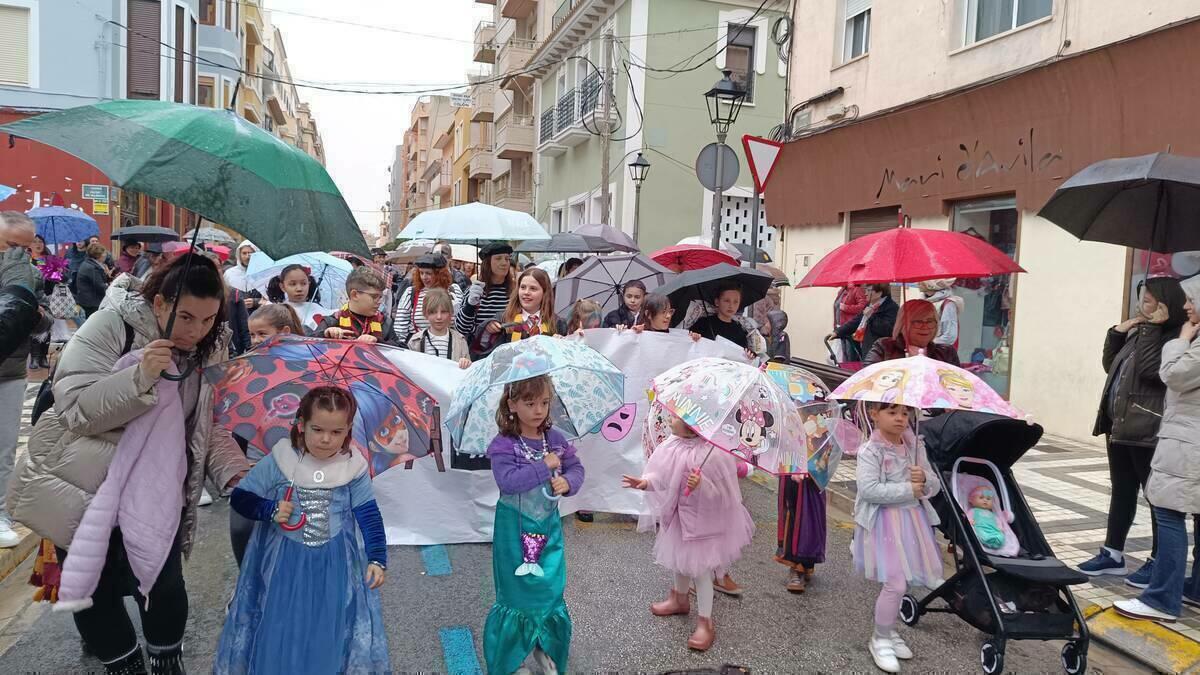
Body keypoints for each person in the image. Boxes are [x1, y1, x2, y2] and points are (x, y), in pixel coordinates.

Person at [9, 253, 249, 674]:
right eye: (186, 317)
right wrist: (138, 379)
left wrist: (238, 476)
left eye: (209, 319)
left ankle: (166, 664)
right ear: (159, 303)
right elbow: (75, 409)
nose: (197, 330)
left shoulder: (212, 346)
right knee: (95, 588)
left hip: (159, 488)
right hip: (85, 483)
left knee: (163, 583)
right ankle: (125, 668)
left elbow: (208, 425)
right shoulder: (111, 324)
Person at [214, 386, 389, 674]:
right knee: (284, 622)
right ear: (301, 424)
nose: (325, 439)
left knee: (328, 622)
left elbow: (368, 514)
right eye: (317, 429)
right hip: (285, 562)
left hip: (334, 563)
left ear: (348, 431)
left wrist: (377, 558)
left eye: (336, 432)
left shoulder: (352, 466)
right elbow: (241, 497)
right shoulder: (282, 459)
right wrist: (268, 510)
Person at [1082, 277, 1187, 581]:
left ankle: (1157, 560)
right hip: (1121, 425)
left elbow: (1150, 371)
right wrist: (1118, 331)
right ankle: (1112, 554)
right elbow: (1110, 365)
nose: (1144, 304)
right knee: (1122, 491)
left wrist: (1152, 329)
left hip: (1147, 428)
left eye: (1151, 299)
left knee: (1156, 498)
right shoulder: (1140, 332)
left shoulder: (1173, 339)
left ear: (1168, 304)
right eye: (1142, 297)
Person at [622, 410, 754, 652]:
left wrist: (702, 484)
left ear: (693, 425)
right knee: (678, 562)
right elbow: (662, 476)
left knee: (700, 572)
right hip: (679, 519)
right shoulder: (672, 445)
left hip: (703, 526)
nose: (670, 420)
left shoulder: (713, 454)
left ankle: (706, 621)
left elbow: (724, 496)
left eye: (676, 418)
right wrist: (646, 483)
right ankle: (679, 598)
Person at [484, 375, 584, 674]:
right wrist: (545, 466)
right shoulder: (504, 445)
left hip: (549, 529)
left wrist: (568, 481)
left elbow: (577, 468)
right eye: (529, 403)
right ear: (512, 404)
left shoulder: (555, 440)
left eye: (544, 402)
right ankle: (511, 660)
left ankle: (545, 647)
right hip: (513, 533)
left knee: (549, 590)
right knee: (517, 594)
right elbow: (508, 482)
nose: (539, 410)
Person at [1114, 291, 1200, 622]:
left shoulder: (1191, 340)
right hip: (1188, 441)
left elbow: (1173, 376)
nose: (1186, 306)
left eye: (1193, 300)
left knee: (1168, 512)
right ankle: (1194, 589)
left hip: (1187, 443)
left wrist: (1180, 339)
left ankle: (1162, 599)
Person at [853, 402, 943, 673]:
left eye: (905, 413)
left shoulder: (915, 446)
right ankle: (879, 638)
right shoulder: (871, 450)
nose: (900, 419)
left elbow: (935, 485)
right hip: (884, 524)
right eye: (892, 412)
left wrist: (924, 478)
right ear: (874, 414)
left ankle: (889, 631)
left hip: (912, 522)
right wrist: (908, 488)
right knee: (896, 584)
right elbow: (868, 490)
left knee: (905, 580)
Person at [227, 303, 306, 571]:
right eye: (253, 335)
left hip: (295, 465)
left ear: (284, 332)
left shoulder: (306, 368)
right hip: (255, 463)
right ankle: (248, 582)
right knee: (241, 528)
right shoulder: (246, 367)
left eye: (263, 333)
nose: (256, 340)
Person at [456, 242, 516, 357]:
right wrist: (470, 305)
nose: (504, 263)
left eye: (507, 259)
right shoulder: (474, 291)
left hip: (508, 353)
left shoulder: (515, 292)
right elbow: (461, 329)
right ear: (488, 263)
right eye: (498, 258)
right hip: (479, 354)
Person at [316, 266, 400, 346]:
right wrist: (325, 334)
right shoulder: (332, 321)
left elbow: (402, 349)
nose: (380, 302)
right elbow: (310, 344)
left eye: (380, 297)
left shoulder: (385, 323)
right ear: (355, 295)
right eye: (374, 297)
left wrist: (378, 341)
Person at [863, 299, 960, 367]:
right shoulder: (884, 347)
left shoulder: (946, 353)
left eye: (930, 321)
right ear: (903, 324)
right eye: (918, 321)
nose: (925, 326)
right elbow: (868, 376)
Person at [394, 253, 462, 344]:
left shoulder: (454, 291)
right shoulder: (411, 293)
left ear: (440, 274)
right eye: (421, 273)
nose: (424, 277)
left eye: (428, 273)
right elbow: (400, 326)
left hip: (448, 346)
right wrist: (403, 346)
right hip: (418, 347)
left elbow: (461, 323)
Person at [688, 283, 762, 358]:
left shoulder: (739, 330)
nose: (731, 306)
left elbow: (743, 353)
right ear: (717, 302)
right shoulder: (703, 324)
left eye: (735, 302)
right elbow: (689, 343)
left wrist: (750, 355)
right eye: (727, 301)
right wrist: (694, 338)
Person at [408, 288, 471, 368]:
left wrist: (466, 363)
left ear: (450, 313)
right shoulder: (415, 341)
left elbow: (468, 370)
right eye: (433, 312)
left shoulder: (460, 341)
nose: (439, 317)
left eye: (443, 312)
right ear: (425, 314)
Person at [832, 284, 897, 360]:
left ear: (879, 293)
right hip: (867, 347)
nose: (865, 293)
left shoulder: (891, 307)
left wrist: (871, 316)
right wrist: (838, 332)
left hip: (882, 352)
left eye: (869, 290)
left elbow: (887, 330)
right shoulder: (871, 305)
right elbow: (856, 320)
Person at [492, 267, 557, 344]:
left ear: (545, 293)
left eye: (533, 288)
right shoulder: (502, 319)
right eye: (523, 287)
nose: (526, 292)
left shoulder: (557, 323)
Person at [266, 263, 328, 332]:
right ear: (282, 287)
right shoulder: (279, 311)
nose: (299, 289)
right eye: (292, 284)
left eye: (303, 283)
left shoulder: (317, 308)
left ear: (309, 284)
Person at [919, 278, 963, 349]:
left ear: (931, 284)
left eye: (923, 281)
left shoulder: (948, 304)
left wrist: (928, 344)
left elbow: (949, 336)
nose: (919, 282)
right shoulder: (923, 302)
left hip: (937, 352)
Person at [223, 240, 264, 312]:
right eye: (244, 253)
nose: (247, 256)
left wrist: (256, 302)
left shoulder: (263, 273)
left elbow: (271, 298)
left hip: (257, 316)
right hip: (235, 315)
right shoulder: (229, 273)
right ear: (239, 255)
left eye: (250, 253)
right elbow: (224, 295)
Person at [74, 243, 111, 318]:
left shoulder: (90, 264)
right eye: (104, 253)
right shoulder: (92, 268)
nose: (105, 255)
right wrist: (110, 285)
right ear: (98, 255)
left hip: (88, 301)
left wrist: (107, 275)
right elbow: (100, 286)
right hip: (92, 303)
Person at [835, 285, 868, 360]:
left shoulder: (857, 290)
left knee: (851, 354)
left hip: (851, 328)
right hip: (841, 327)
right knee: (844, 353)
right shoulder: (842, 291)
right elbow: (836, 308)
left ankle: (851, 371)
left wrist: (846, 308)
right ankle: (844, 370)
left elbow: (862, 307)